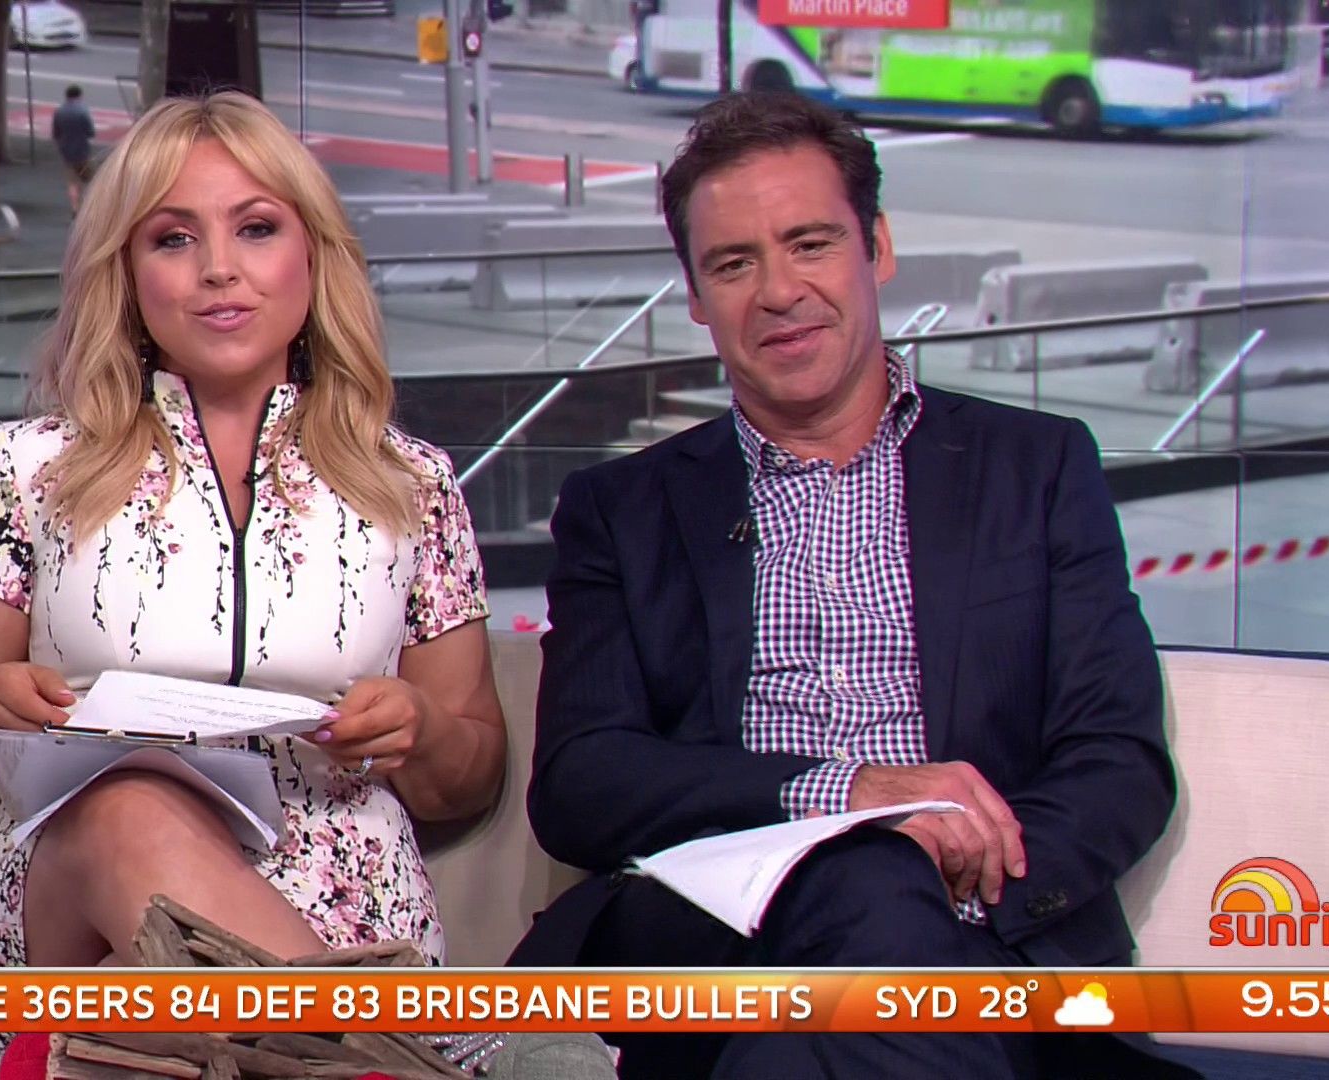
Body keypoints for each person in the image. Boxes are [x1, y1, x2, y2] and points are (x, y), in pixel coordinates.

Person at [509, 92, 1194, 1080]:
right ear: (695, 296)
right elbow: (584, 781)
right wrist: (848, 799)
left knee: (824, 992)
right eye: (733, 264)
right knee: (864, 886)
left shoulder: (1034, 468)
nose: (778, 291)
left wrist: (943, 869)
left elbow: (1116, 760)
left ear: (877, 246)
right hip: (706, 942)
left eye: (810, 244)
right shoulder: (624, 508)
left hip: (976, 939)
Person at [0, 92, 510, 1074]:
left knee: (159, 1018)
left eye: (256, 228)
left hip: (345, 916)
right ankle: (374, 1062)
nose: (219, 268)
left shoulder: (413, 486)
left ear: (313, 254)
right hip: (64, 908)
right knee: (125, 806)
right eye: (173, 238)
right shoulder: (30, 469)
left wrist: (423, 732)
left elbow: (471, 774)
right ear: (127, 273)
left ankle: (288, 1049)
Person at [51, 84, 96, 213]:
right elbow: (90, 132)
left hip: (66, 152)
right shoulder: (83, 111)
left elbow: (56, 133)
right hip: (82, 151)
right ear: (79, 96)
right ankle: (88, 204)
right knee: (91, 179)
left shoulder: (59, 111)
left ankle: (75, 207)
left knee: (72, 182)